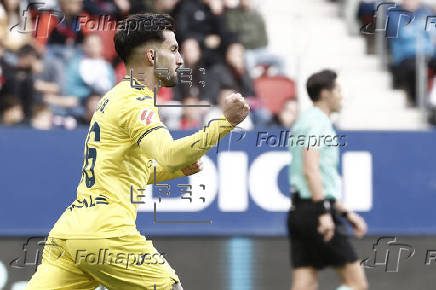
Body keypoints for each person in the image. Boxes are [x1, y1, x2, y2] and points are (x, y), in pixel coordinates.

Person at [26, 13, 250, 290]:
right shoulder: (136, 101)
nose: (180, 59)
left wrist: (174, 172)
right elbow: (169, 152)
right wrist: (224, 123)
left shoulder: (114, 97)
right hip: (106, 231)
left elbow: (122, 172)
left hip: (72, 229)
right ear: (152, 56)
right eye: (173, 49)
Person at [287, 69, 368, 290]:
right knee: (356, 284)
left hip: (300, 210)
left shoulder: (304, 121)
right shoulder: (318, 123)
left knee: (305, 282)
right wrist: (324, 212)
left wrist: (345, 212)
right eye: (338, 90)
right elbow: (310, 169)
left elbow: (318, 176)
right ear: (325, 93)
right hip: (316, 211)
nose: (342, 95)